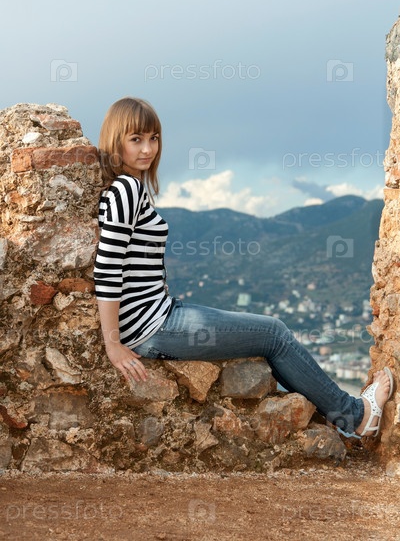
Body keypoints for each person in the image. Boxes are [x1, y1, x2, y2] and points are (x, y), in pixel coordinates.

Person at [94, 97, 394, 438]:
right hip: (153, 327)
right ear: (116, 141)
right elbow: (108, 268)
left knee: (267, 331)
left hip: (160, 315)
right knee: (274, 334)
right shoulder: (127, 189)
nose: (148, 149)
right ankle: (355, 416)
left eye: (154, 138)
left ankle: (341, 415)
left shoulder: (126, 190)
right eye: (136, 139)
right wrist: (113, 343)